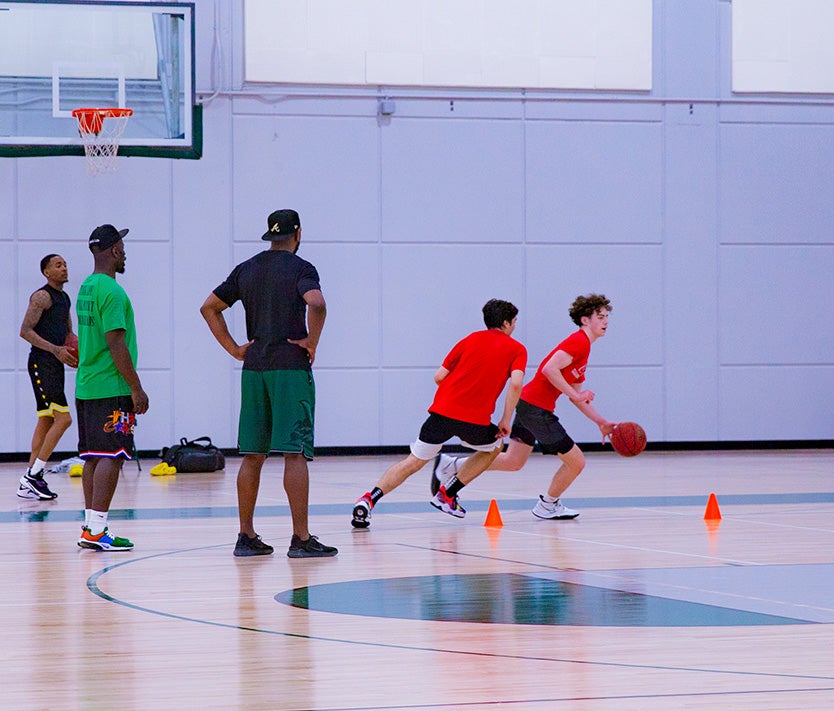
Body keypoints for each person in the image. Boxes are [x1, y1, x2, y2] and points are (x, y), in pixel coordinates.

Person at [200, 209, 336, 558]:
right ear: (298, 234)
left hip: (255, 367)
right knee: (294, 453)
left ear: (269, 235)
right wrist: (311, 342)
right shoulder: (301, 268)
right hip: (289, 369)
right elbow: (316, 303)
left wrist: (234, 349)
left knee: (252, 454)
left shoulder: (248, 268)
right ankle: (301, 539)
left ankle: (245, 536)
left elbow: (209, 308)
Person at [432, 293, 616, 520]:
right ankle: (548, 505)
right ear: (585, 320)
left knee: (513, 462)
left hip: (530, 405)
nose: (606, 321)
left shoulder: (584, 348)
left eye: (607, 316)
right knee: (577, 462)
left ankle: (451, 465)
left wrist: (601, 422)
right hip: (535, 409)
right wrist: (575, 396)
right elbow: (549, 369)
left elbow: (576, 395)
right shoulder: (578, 342)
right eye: (600, 316)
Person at [351, 299, 526, 526]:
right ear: (505, 323)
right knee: (494, 447)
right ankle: (448, 493)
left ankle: (368, 500)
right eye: (514, 322)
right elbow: (516, 384)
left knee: (413, 462)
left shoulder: (468, 340)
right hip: (474, 421)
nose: (514, 327)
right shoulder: (517, 349)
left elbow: (439, 377)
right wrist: (505, 419)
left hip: (441, 414)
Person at [75, 225, 148, 551]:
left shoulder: (87, 286)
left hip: (87, 386)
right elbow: (116, 342)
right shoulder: (113, 292)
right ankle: (98, 529)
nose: (126, 252)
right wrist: (136, 388)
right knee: (112, 456)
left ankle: (91, 526)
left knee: (93, 457)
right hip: (112, 386)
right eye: (123, 246)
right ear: (114, 251)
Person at [18, 254, 78, 500]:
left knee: (45, 420)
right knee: (63, 420)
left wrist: (76, 352)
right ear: (46, 272)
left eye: (65, 264)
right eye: (58, 265)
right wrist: (55, 350)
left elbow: (69, 334)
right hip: (41, 363)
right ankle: (34, 475)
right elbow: (25, 331)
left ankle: (28, 484)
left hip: (55, 365)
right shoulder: (41, 296)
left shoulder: (64, 297)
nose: (64, 268)